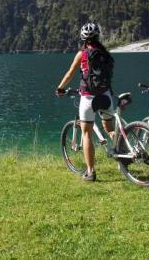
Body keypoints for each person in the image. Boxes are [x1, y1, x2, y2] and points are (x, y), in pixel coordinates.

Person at [55, 23, 114, 182]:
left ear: (83, 38)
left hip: (88, 97)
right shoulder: (105, 54)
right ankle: (124, 153)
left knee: (86, 133)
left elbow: (70, 73)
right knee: (110, 129)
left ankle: (90, 172)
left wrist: (60, 88)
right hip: (106, 95)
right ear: (98, 37)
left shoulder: (82, 55)